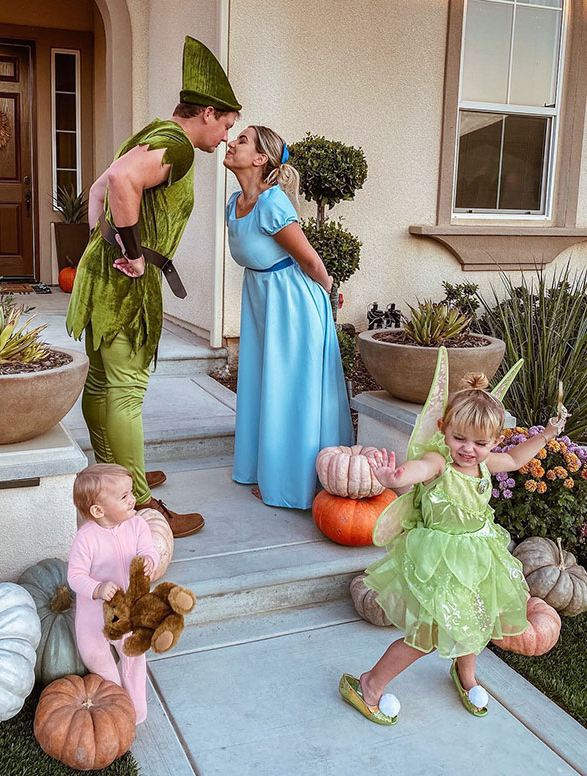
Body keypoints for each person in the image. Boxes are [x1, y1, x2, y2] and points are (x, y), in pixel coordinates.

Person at [66, 37, 242, 537]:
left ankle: (110, 475)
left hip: (102, 273)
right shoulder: (181, 146)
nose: (227, 137)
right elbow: (121, 181)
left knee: (102, 383)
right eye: (227, 125)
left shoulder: (154, 131)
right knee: (124, 394)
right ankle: (138, 504)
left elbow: (99, 188)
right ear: (207, 113)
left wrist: (104, 243)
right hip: (126, 279)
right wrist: (133, 251)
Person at [339, 350, 566, 725]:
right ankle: (370, 684)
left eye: (479, 443)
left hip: (479, 559)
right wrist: (394, 478)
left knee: (478, 619)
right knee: (426, 634)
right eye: (459, 437)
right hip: (440, 564)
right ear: (443, 428)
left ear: (493, 442)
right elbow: (418, 467)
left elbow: (514, 461)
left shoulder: (483, 464)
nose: (467, 448)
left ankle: (465, 675)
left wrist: (547, 434)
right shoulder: (441, 463)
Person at [223, 125, 353, 509]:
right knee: (266, 384)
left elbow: (310, 260)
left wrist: (327, 292)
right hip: (263, 300)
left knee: (290, 390)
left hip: (292, 304)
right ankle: (267, 469)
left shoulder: (272, 203)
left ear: (261, 159)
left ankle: (290, 481)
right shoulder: (235, 202)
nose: (231, 143)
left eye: (242, 140)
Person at [67, 464, 160, 724]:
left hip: (126, 612)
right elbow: (74, 576)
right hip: (93, 617)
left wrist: (149, 560)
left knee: (133, 656)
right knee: (98, 659)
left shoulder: (138, 525)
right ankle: (116, 700)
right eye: (124, 496)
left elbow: (149, 550)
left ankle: (136, 707)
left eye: (131, 492)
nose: (132, 499)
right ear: (98, 510)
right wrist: (96, 588)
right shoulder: (86, 538)